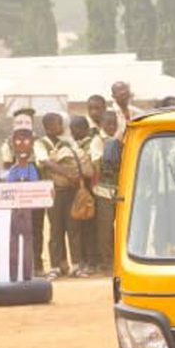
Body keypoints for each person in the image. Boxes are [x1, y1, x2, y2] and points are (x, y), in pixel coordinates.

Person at [34, 112, 82, 278]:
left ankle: (75, 264)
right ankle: (56, 265)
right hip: (53, 192)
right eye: (58, 124)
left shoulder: (66, 143)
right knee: (56, 229)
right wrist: (66, 173)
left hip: (69, 191)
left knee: (73, 227)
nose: (61, 127)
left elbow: (77, 159)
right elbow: (44, 161)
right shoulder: (40, 144)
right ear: (48, 127)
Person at [4, 116, 42, 282]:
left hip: (27, 210)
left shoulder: (32, 168)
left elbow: (36, 187)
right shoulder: (12, 169)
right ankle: (13, 274)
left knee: (28, 239)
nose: (22, 143)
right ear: (12, 141)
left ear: (32, 141)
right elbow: (7, 186)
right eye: (18, 138)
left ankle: (27, 273)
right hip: (14, 210)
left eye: (26, 138)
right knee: (13, 240)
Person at [90, 110, 120, 275]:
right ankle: (106, 262)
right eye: (108, 124)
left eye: (114, 124)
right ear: (101, 124)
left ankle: (118, 260)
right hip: (104, 190)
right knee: (105, 228)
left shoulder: (120, 139)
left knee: (120, 227)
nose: (111, 127)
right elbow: (97, 164)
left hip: (120, 189)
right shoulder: (98, 141)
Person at [69, 115, 97, 274]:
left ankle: (91, 261)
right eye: (72, 130)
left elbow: (90, 169)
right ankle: (83, 261)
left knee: (89, 227)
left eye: (77, 129)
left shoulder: (90, 145)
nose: (74, 133)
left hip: (89, 188)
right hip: (78, 189)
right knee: (79, 226)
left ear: (86, 129)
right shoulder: (73, 145)